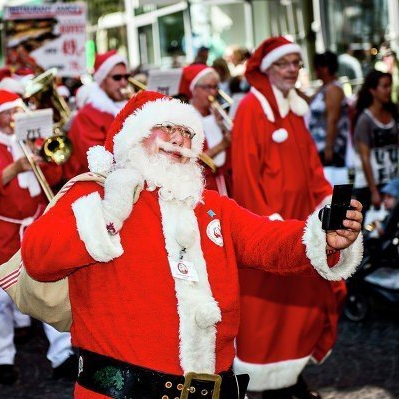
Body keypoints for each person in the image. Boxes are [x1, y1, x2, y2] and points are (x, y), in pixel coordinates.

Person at [20, 90, 363, 399]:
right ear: (133, 137)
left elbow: (270, 241)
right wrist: (110, 213)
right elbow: (38, 258)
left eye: (187, 132)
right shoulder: (92, 194)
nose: (178, 139)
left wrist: (324, 235)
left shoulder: (213, 207)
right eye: (166, 127)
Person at [231, 36, 347, 399]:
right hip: (273, 233)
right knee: (268, 318)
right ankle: (272, 384)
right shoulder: (252, 108)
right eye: (285, 63)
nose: (293, 70)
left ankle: (291, 377)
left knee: (301, 313)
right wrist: (270, 229)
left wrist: (328, 201)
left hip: (302, 229)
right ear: (268, 68)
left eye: (297, 63)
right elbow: (246, 176)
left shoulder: (294, 110)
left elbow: (313, 169)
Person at [0, 89, 75, 384]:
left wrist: (45, 162)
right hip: (1, 230)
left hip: (36, 225)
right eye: (8, 113)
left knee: (49, 290)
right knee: (1, 301)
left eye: (17, 112)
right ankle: (3, 357)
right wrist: (14, 168)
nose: (14, 118)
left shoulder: (32, 140)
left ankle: (61, 354)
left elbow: (52, 180)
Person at [64, 50, 129, 179]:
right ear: (102, 79)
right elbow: (98, 164)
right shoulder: (87, 115)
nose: (123, 83)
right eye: (117, 77)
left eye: (126, 77)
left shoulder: (125, 107)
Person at [179, 64, 232, 195]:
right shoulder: (186, 118)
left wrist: (222, 126)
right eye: (208, 87)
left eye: (215, 87)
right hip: (204, 187)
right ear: (194, 89)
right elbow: (192, 161)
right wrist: (223, 145)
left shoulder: (215, 113)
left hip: (225, 182)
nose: (213, 92)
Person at [352, 70, 399, 213]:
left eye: (389, 86)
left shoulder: (393, 112)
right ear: (373, 90)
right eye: (384, 86)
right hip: (370, 185)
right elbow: (365, 157)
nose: (388, 90)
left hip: (391, 180)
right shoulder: (365, 119)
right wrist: (373, 191)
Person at [307, 51, 351, 185]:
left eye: (317, 68)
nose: (315, 71)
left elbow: (332, 120)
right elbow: (309, 101)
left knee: (332, 184)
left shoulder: (333, 89)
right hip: (321, 146)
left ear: (325, 68)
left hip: (331, 148)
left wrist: (329, 148)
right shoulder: (324, 88)